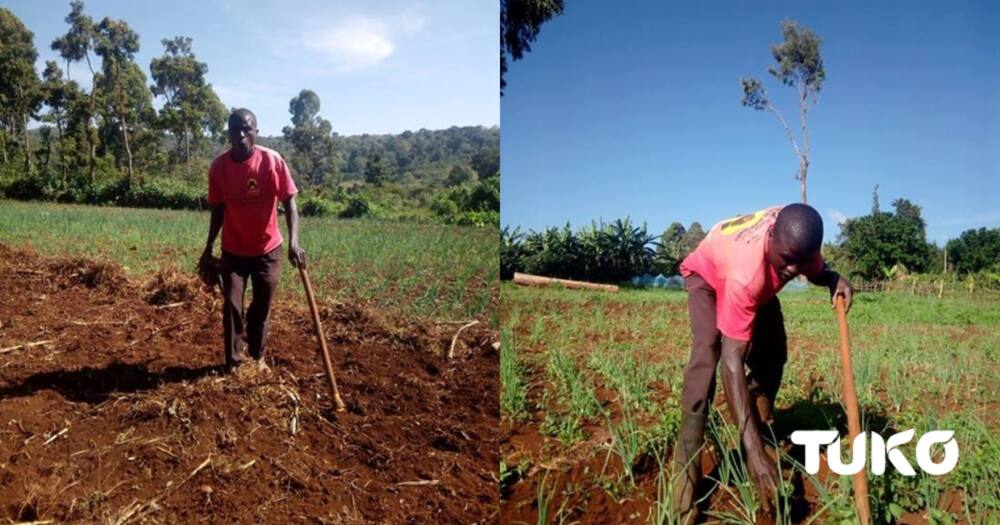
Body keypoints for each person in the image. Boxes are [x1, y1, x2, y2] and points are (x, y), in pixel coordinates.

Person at [670, 203, 853, 522]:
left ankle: (758, 429)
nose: (795, 271)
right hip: (710, 274)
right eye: (787, 262)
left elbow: (812, 268)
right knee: (707, 354)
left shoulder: (797, 241)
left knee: (772, 351)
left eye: (801, 263)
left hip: (755, 281)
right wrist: (753, 454)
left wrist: (831, 278)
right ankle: (684, 490)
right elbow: (732, 362)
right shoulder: (745, 272)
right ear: (771, 238)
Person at [198, 108, 306, 371]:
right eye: (235, 129)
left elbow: (290, 202)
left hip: (267, 250)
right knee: (232, 306)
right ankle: (234, 364)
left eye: (247, 129)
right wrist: (208, 247)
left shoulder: (272, 161)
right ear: (229, 134)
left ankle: (257, 357)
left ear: (256, 131)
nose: (242, 134)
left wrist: (293, 242)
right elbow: (218, 211)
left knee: (260, 307)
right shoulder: (219, 167)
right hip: (233, 251)